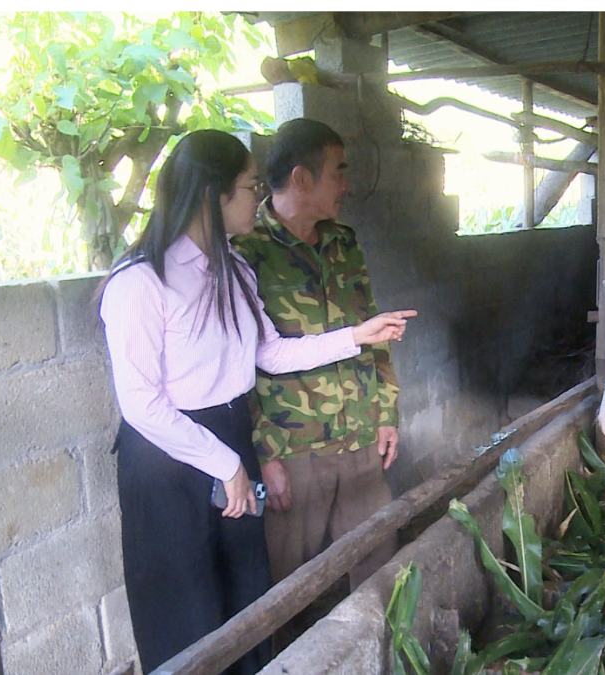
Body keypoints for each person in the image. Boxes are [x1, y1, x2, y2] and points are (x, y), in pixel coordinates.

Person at [98, 129, 415, 674]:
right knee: (185, 614)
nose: (256, 198)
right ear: (212, 196)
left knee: (247, 603)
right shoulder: (141, 281)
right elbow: (141, 404)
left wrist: (357, 337)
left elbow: (268, 353)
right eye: (248, 188)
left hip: (228, 441)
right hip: (167, 459)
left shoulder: (233, 270)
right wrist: (227, 467)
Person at [231, 119, 403, 646]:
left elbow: (374, 330)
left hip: (358, 439)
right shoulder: (246, 252)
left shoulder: (343, 244)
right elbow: (241, 367)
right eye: (339, 172)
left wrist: (386, 413)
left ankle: (389, 657)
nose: (346, 184)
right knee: (287, 592)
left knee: (384, 572)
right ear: (302, 178)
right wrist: (265, 455)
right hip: (293, 450)